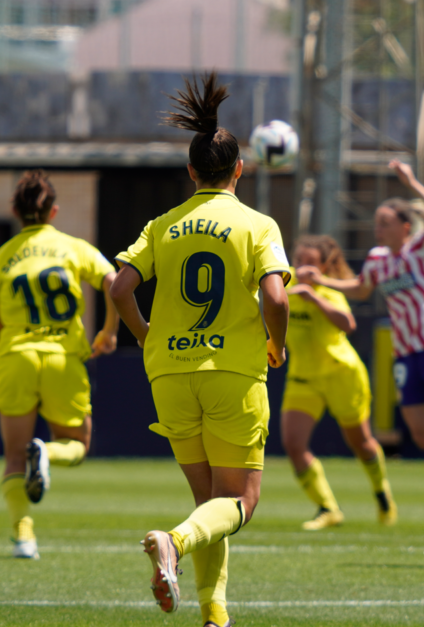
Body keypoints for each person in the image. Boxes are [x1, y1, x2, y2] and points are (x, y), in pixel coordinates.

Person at [109, 72, 290, 627]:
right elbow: (276, 298)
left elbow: (119, 288)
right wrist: (276, 343)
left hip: (169, 372)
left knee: (210, 500)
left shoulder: (163, 225)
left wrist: (145, 335)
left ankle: (215, 614)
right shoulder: (258, 225)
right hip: (232, 370)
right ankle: (174, 542)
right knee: (240, 503)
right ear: (240, 169)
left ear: (190, 171)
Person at [298, 159, 424, 570]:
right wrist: (321, 281)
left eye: (385, 223)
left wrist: (411, 182)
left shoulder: (421, 247)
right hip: (406, 353)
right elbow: (361, 288)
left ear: (406, 227)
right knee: (422, 433)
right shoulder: (376, 259)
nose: (378, 229)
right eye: (377, 223)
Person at [0, 170, 120, 561]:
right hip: (63, 357)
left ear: (15, 211)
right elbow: (114, 281)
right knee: (77, 444)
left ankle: (24, 538)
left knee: (13, 456)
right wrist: (108, 331)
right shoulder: (73, 247)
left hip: (17, 357)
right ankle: (46, 452)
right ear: (54, 211)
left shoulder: (2, 256)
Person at [282, 235, 396, 530]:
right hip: (304, 376)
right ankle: (328, 508)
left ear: (323, 267)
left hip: (340, 373)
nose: (304, 268)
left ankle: (381, 491)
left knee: (361, 443)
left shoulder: (328, 291)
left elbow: (349, 324)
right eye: (300, 260)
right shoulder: (284, 282)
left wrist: (314, 297)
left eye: (311, 263)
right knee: (293, 443)